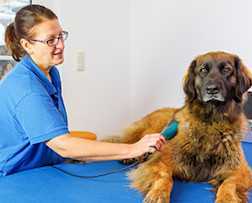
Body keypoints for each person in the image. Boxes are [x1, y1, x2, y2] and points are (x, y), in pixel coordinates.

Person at [0, 4, 165, 177]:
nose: (61, 45)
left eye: (61, 36)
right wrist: (133, 148)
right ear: (27, 45)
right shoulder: (27, 89)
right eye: (50, 40)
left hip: (46, 167)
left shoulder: (49, 72)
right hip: (17, 175)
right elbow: (63, 145)